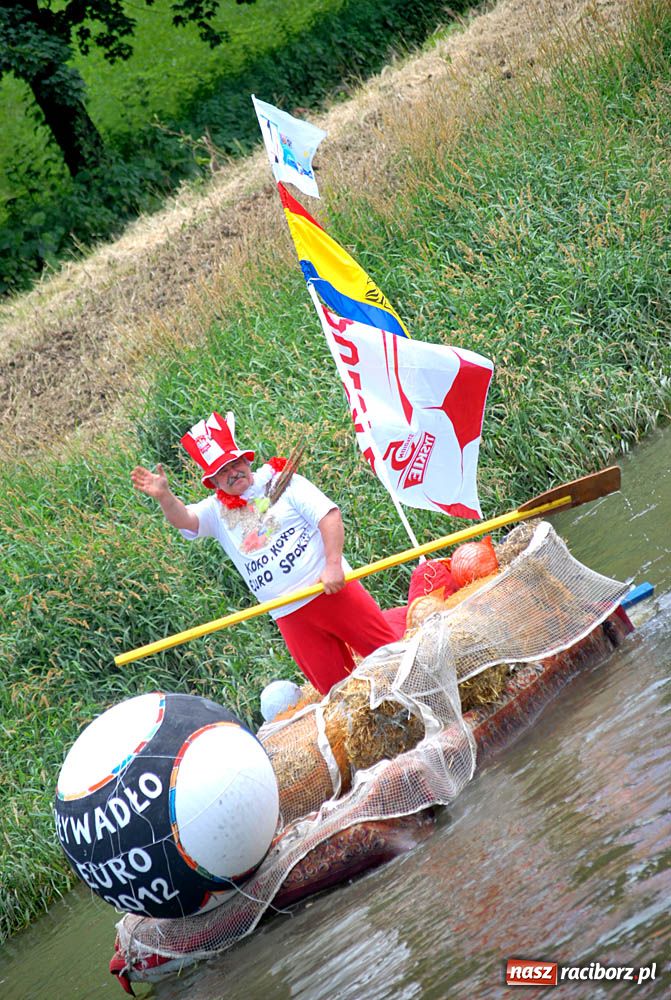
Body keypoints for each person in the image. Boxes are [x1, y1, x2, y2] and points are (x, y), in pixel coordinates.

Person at [131, 410, 401, 694]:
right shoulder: (214, 510)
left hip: (330, 590)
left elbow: (328, 516)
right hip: (289, 614)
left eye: (235, 463)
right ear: (214, 482)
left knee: (390, 656)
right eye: (222, 471)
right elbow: (184, 519)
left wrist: (333, 564)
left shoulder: (282, 481)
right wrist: (164, 497)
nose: (233, 473)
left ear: (247, 460)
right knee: (338, 692)